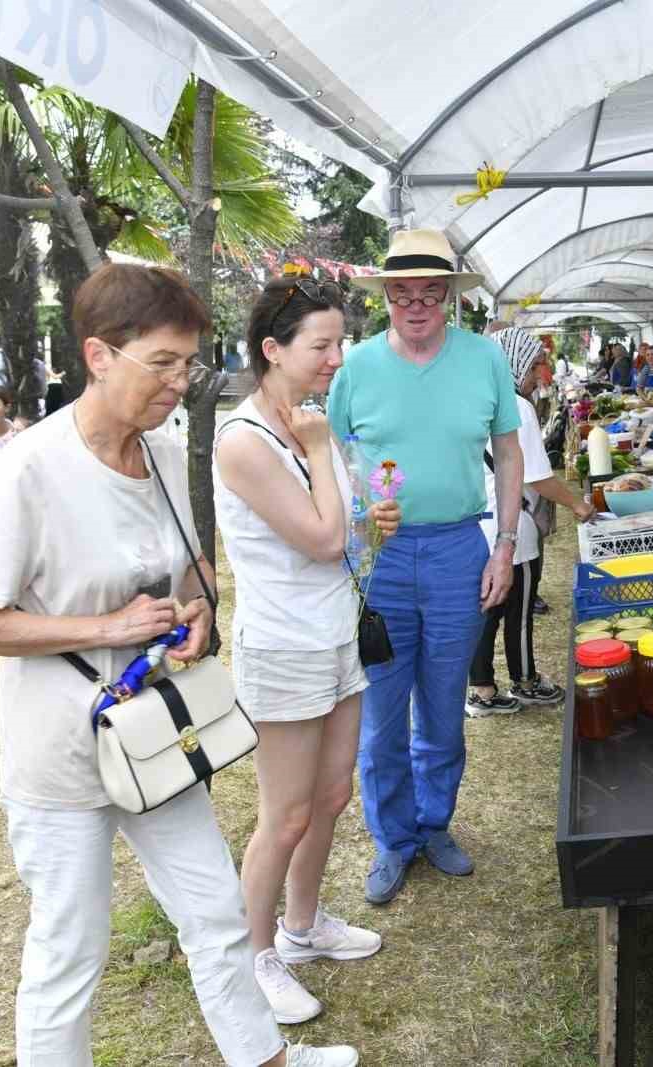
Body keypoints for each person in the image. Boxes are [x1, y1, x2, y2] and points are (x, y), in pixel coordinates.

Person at [0, 262, 358, 1067]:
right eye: (161, 363)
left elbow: (192, 570)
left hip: (154, 734)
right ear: (98, 355)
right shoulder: (33, 465)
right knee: (69, 949)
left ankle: (263, 1057)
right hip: (59, 750)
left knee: (214, 910)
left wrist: (195, 613)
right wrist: (107, 623)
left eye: (188, 363)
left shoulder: (160, 450)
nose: (178, 382)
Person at [215, 276, 401, 1027]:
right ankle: (254, 957)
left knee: (330, 797)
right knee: (284, 815)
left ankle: (302, 926)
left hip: (336, 634)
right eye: (321, 345)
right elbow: (324, 537)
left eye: (338, 343)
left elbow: (348, 531)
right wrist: (323, 450)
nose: (335, 358)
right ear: (272, 349)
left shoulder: (310, 424)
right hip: (285, 647)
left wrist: (372, 516)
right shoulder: (245, 440)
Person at [330, 228, 523, 906]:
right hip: (380, 557)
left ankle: (434, 823)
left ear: (450, 299)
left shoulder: (484, 360)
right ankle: (393, 838)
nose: (416, 306)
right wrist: (352, 530)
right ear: (385, 298)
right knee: (381, 713)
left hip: (456, 550)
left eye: (430, 294)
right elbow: (334, 455)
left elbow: (508, 449)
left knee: (443, 705)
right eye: (402, 294)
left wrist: (504, 543)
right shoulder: (354, 367)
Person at [468, 327, 597, 715]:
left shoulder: (474, 397)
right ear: (515, 362)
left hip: (478, 522)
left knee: (486, 612)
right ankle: (525, 681)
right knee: (518, 610)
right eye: (536, 363)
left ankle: (481, 690)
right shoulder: (515, 406)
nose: (539, 373)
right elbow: (537, 477)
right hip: (512, 525)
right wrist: (578, 504)